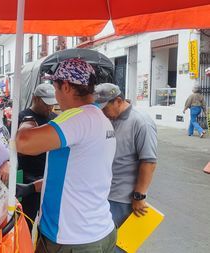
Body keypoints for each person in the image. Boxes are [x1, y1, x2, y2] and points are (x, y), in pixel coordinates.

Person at [16, 58, 116, 253]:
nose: (56, 96)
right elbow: (79, 173)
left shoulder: (77, 117)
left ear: (67, 87)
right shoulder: (99, 118)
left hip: (73, 238)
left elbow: (23, 142)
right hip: (98, 229)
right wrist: (38, 186)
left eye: (56, 88)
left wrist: (27, 120)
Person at [94, 83, 157, 253]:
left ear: (118, 101)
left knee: (118, 247)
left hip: (123, 198)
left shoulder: (141, 122)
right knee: (102, 244)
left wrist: (139, 195)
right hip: (104, 193)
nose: (102, 113)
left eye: (104, 108)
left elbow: (149, 162)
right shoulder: (110, 119)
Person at [17, 83, 57, 232]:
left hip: (48, 176)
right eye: (47, 104)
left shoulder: (55, 118)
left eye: (52, 104)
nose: (50, 108)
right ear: (35, 99)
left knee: (47, 220)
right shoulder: (22, 117)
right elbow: (17, 149)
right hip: (28, 178)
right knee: (27, 220)